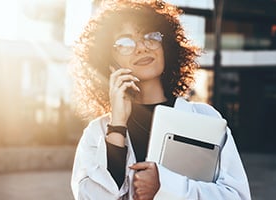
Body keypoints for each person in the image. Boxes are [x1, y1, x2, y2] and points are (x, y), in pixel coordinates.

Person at [70, 0, 251, 199]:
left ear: (165, 46)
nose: (141, 48)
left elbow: (237, 196)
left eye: (150, 36)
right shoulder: (97, 132)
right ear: (108, 59)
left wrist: (164, 186)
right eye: (124, 43)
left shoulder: (206, 118)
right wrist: (118, 126)